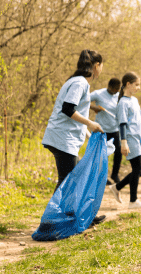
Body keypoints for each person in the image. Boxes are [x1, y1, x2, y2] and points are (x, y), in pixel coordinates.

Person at [42, 49, 105, 226]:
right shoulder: (80, 83)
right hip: (62, 139)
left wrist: (89, 132)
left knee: (74, 179)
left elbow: (73, 115)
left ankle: (82, 217)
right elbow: (68, 109)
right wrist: (91, 123)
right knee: (67, 181)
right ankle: (50, 221)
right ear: (96, 66)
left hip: (62, 137)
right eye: (101, 66)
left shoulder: (77, 81)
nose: (101, 69)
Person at [109, 72, 141, 209]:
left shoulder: (134, 101)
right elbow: (123, 124)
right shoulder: (123, 103)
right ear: (128, 84)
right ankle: (133, 201)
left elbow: (139, 121)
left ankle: (117, 187)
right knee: (137, 168)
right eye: (136, 85)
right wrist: (123, 142)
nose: (138, 87)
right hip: (130, 139)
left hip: (140, 138)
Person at [90, 78, 122, 185]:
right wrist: (93, 107)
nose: (117, 91)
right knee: (103, 154)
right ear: (110, 87)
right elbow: (83, 100)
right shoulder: (98, 94)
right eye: (116, 89)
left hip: (115, 129)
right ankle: (102, 177)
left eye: (119, 89)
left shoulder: (118, 95)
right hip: (102, 130)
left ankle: (115, 174)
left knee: (118, 152)